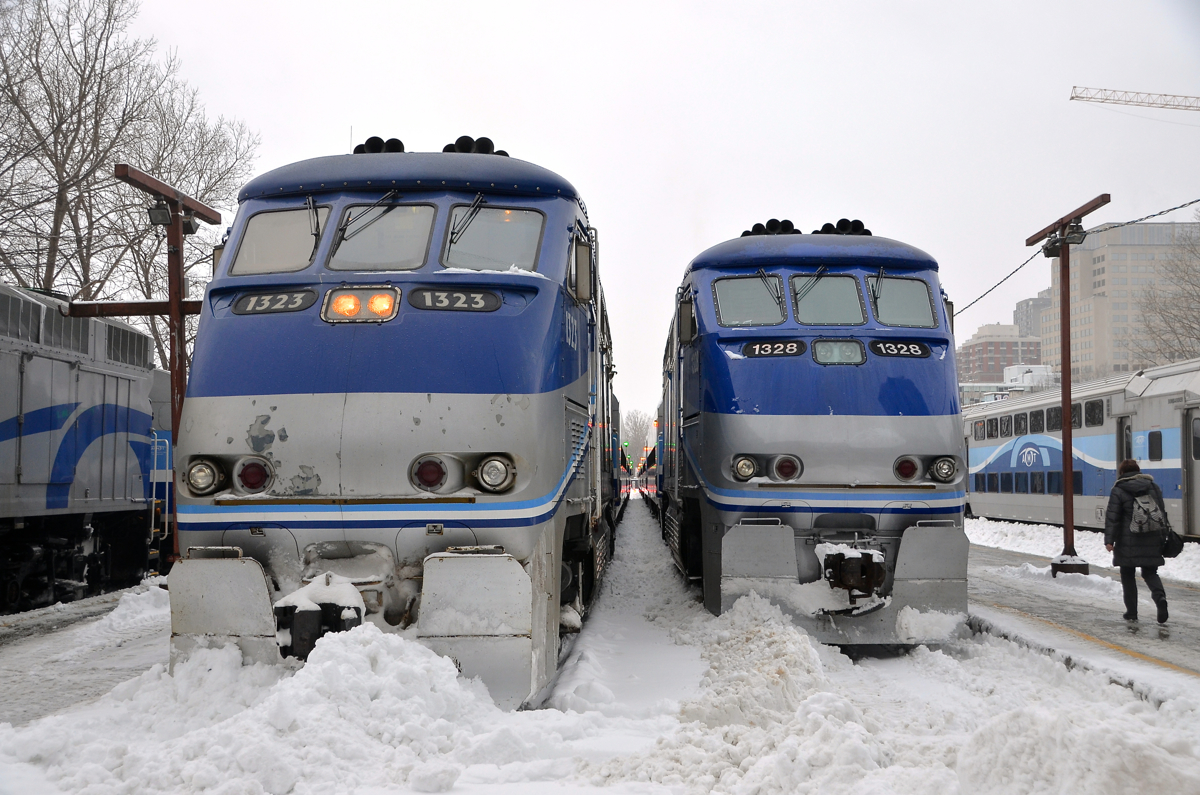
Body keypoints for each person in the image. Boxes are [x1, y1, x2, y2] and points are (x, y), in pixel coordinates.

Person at [1104, 459, 1169, 623]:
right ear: (1138, 471)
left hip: (1128, 540)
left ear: (1122, 473)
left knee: (1127, 575)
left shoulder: (1119, 489)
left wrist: (1109, 540)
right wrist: (1164, 535)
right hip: (1152, 536)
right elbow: (1161, 513)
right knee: (1150, 572)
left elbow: (1113, 518)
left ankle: (1132, 612)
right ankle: (1160, 599)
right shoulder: (1153, 486)